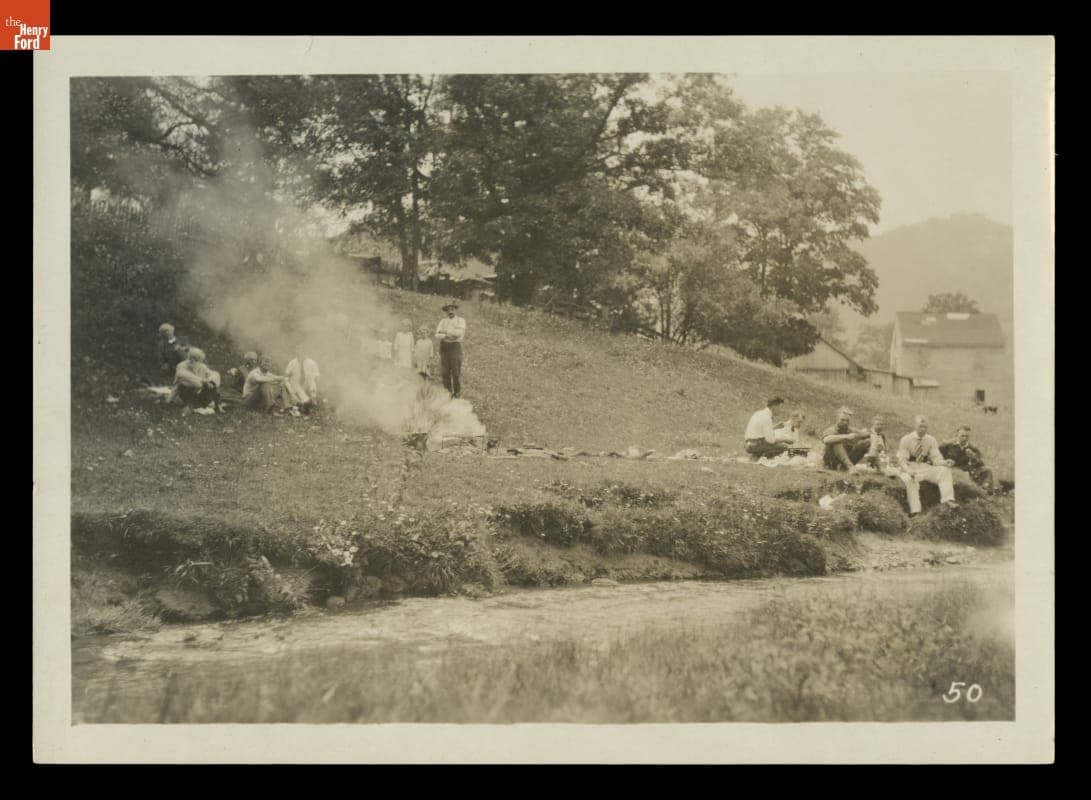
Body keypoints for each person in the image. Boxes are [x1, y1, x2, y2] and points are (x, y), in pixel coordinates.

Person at [896, 415, 960, 515]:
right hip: (909, 466)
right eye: (920, 426)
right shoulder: (906, 439)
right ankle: (915, 511)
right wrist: (909, 471)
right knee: (910, 480)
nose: (922, 429)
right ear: (915, 426)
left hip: (924, 466)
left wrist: (945, 462)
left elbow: (936, 459)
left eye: (925, 427)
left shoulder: (931, 440)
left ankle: (948, 499)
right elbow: (902, 460)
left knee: (945, 470)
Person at [940, 425, 996, 492]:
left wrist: (973, 457)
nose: (965, 438)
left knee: (987, 470)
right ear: (957, 435)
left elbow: (981, 464)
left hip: (966, 470)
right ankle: (975, 492)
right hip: (951, 470)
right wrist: (945, 463)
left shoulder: (972, 447)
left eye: (967, 436)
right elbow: (936, 457)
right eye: (962, 436)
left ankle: (986, 492)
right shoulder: (947, 445)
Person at [172, 347, 222, 413]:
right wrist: (203, 381)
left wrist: (211, 381)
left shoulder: (202, 367)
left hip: (196, 392)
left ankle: (215, 405)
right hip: (183, 392)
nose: (192, 360)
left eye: (196, 359)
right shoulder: (182, 365)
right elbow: (182, 375)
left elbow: (214, 374)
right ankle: (190, 406)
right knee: (196, 385)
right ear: (188, 357)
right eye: (190, 358)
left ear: (200, 360)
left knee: (213, 384)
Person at [435, 302, 466, 398]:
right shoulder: (443, 321)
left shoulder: (461, 321)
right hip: (444, 347)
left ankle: (457, 393)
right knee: (445, 371)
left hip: (455, 347)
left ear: (455, 310)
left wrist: (445, 332)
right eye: (448, 310)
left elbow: (459, 334)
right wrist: (448, 335)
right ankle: (447, 393)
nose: (450, 311)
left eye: (452, 309)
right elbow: (437, 335)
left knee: (456, 371)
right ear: (446, 311)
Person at [285, 346, 321, 414]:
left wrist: (313, 386)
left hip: (307, 385)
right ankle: (304, 403)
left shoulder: (312, 363)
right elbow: (286, 376)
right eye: (298, 351)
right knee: (304, 400)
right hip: (296, 386)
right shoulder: (292, 362)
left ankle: (313, 398)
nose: (300, 353)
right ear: (296, 352)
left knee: (311, 377)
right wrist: (290, 391)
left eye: (303, 351)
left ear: (306, 352)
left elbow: (317, 376)